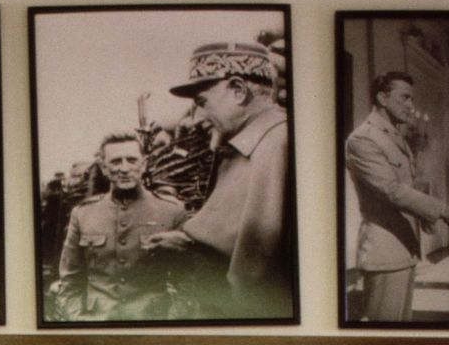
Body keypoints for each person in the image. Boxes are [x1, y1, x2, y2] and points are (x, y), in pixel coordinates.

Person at [143, 42, 293, 319]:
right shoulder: (251, 143)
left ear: (238, 90)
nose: (198, 118)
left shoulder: (276, 145)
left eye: (202, 102)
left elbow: (255, 274)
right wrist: (189, 243)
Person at [344, 71, 449, 321]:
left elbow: (406, 187)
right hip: (384, 251)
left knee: (401, 329)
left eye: (411, 99)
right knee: (384, 335)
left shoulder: (393, 136)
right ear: (382, 98)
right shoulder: (363, 139)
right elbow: (392, 190)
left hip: (404, 248)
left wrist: (425, 217)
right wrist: (444, 212)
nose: (411, 106)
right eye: (404, 98)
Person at [50, 131, 187, 321]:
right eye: (116, 162)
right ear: (104, 168)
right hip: (97, 322)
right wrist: (80, 320)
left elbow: (188, 281)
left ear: (144, 164)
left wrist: (170, 323)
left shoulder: (172, 211)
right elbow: (70, 281)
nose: (124, 168)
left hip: (153, 320)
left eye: (132, 160)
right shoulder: (83, 214)